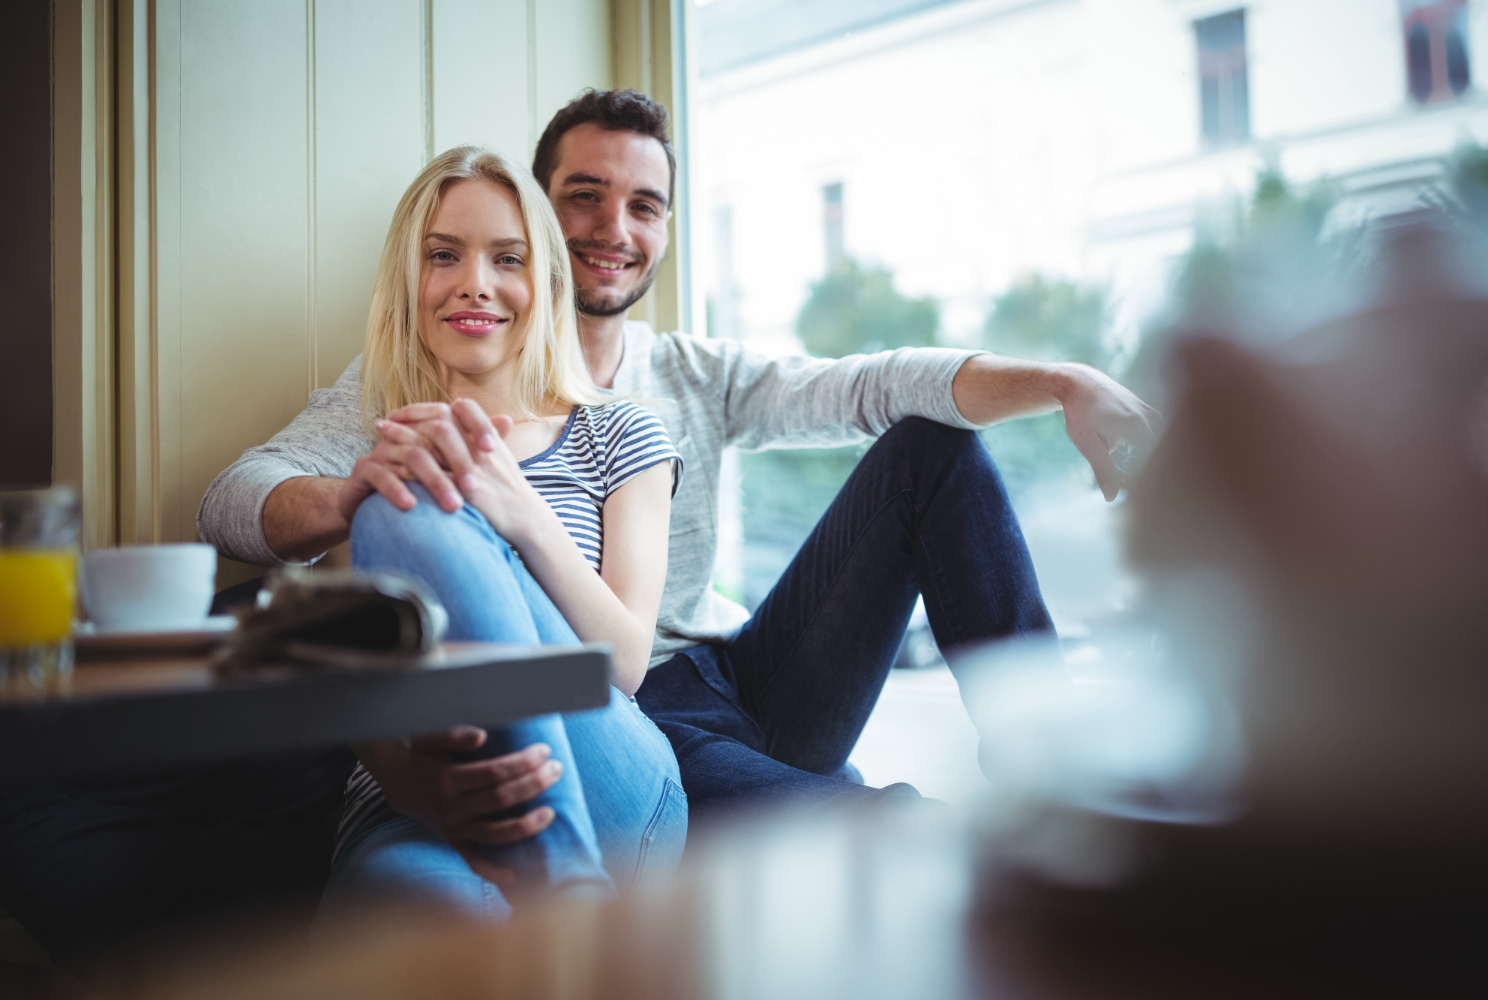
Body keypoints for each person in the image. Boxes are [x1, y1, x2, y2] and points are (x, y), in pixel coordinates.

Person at [198, 90, 1158, 841]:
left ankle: (1056, 773)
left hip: (746, 676)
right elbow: (233, 503)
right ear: (536, 214)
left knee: (928, 446)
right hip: (626, 722)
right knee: (860, 824)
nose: (616, 226)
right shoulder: (407, 386)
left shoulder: (687, 375)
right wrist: (364, 492)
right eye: (584, 196)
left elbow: (873, 385)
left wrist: (1064, 379)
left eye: (643, 204)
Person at [315, 145, 686, 921]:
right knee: (421, 915)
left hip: (607, 776)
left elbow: (625, 664)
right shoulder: (376, 466)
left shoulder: (619, 434)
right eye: (443, 256)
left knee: (403, 499)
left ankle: (564, 884)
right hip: (418, 807)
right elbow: (362, 692)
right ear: (408, 286)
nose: (474, 283)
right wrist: (419, 785)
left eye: (507, 258)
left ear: (546, 282)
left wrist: (515, 506)